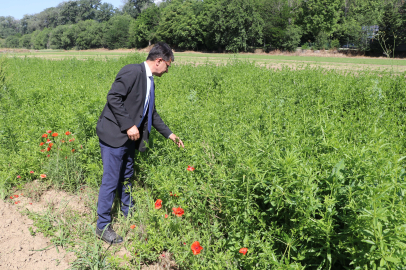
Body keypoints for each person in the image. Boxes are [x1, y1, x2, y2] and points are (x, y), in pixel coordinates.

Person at [95, 42, 184, 244]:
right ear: (159, 61)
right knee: (110, 181)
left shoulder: (149, 80)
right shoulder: (132, 71)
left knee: (126, 176)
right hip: (114, 135)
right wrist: (128, 125)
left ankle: (128, 213)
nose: (168, 70)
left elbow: (150, 113)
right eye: (168, 65)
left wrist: (170, 135)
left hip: (129, 138)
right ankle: (102, 227)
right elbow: (113, 97)